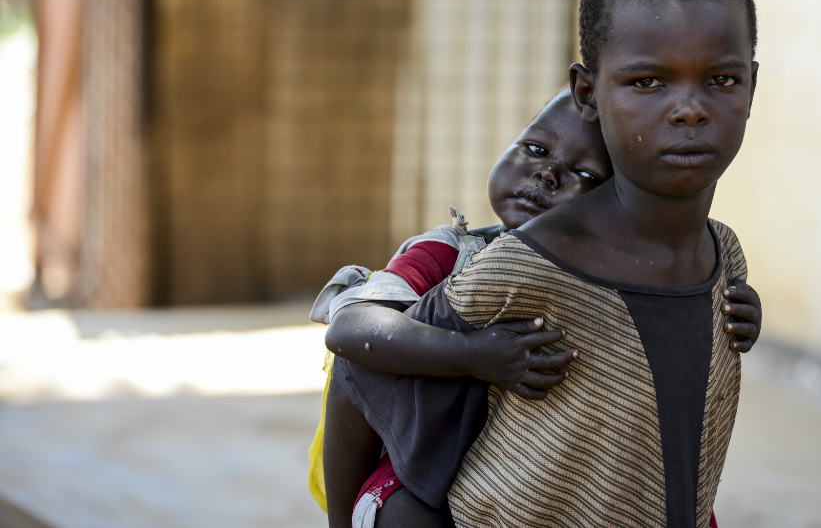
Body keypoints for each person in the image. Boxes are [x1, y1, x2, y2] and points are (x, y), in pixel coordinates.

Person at [396, 0, 761, 528]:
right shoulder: (531, 261)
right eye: (648, 82)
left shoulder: (726, 258)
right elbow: (360, 371)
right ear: (588, 94)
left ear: (751, 85)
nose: (690, 109)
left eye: (721, 80)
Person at [312, 89, 762, 527]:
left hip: (572, 481)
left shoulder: (624, 281)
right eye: (534, 148)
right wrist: (471, 353)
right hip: (435, 466)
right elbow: (350, 329)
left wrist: (735, 311)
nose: (547, 174)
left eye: (586, 176)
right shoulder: (449, 254)